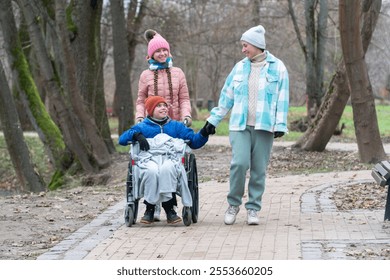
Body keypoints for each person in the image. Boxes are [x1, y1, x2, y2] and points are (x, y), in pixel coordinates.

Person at [204, 25, 289, 225]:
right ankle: (233, 204)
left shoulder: (278, 67)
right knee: (239, 164)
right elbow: (227, 96)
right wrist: (213, 120)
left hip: (264, 127)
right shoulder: (240, 67)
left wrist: (280, 125)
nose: (243, 50)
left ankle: (253, 209)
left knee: (259, 169)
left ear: (257, 45)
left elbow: (283, 98)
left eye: (245, 45)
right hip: (240, 126)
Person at [119, 96, 212, 224]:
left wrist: (204, 132)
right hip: (149, 159)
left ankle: (169, 209)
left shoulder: (176, 127)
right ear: (151, 110)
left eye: (164, 105)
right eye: (159, 106)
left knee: (166, 169)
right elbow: (122, 139)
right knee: (151, 171)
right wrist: (136, 135)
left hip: (170, 158)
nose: (163, 108)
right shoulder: (142, 127)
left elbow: (194, 142)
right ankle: (149, 208)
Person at [136, 29, 193, 220]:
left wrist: (186, 116)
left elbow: (184, 98)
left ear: (169, 52)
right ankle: (150, 207)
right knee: (153, 165)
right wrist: (139, 119)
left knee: (170, 164)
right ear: (150, 54)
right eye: (157, 51)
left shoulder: (178, 73)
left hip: (173, 126)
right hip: (151, 126)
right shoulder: (145, 75)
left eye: (164, 51)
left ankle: (169, 207)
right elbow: (140, 100)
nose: (161, 54)